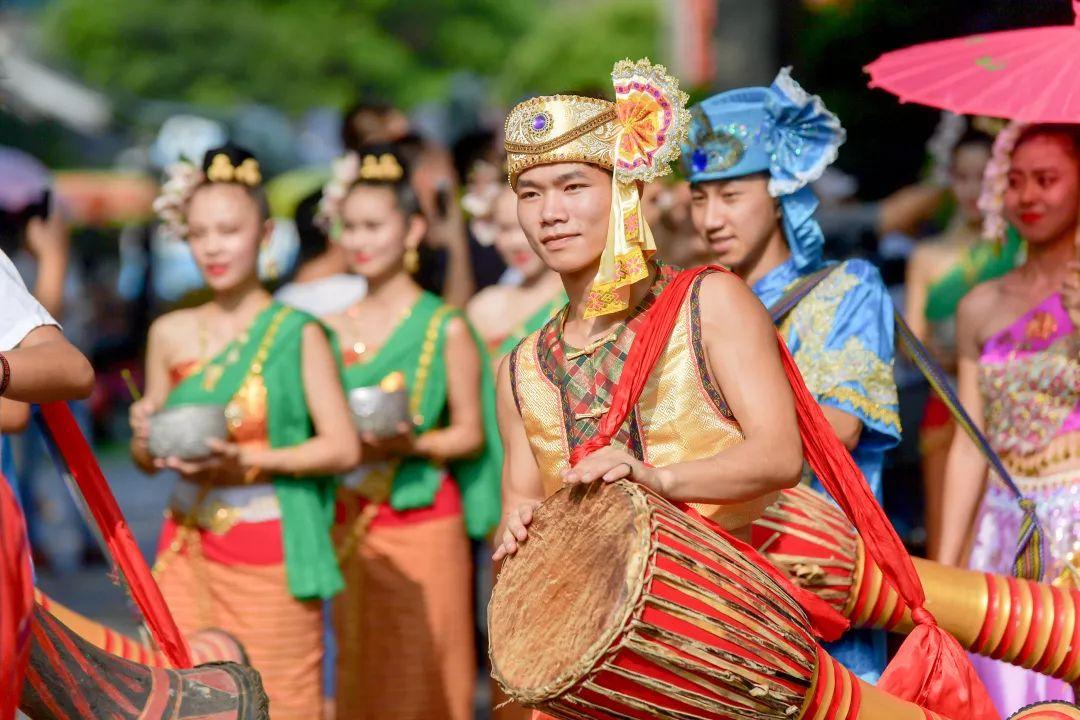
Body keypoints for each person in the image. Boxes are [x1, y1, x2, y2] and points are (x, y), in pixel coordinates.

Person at [493, 57, 804, 559]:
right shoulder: (521, 369)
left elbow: (780, 455)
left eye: (573, 187)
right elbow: (520, 502)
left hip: (711, 596)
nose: (550, 213)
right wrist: (516, 527)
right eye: (530, 194)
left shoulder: (709, 303)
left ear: (627, 192)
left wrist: (659, 479)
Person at [682, 69, 900, 683]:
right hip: (723, 579)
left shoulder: (846, 287)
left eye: (731, 195)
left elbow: (842, 427)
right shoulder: (693, 305)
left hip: (822, 568)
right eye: (699, 198)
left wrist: (693, 461)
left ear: (778, 192)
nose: (711, 218)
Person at [129, 144, 358, 720]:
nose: (212, 247)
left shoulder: (298, 332)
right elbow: (146, 461)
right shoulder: (169, 332)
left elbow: (341, 447)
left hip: (268, 546)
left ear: (266, 234)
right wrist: (142, 435)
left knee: (282, 700)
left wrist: (250, 462)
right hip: (185, 543)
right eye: (199, 233)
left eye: (229, 231)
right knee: (183, 699)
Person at [318, 145, 501, 720]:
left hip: (423, 518)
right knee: (360, 665)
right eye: (350, 227)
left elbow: (470, 433)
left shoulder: (444, 327)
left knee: (430, 665)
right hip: (349, 519)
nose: (360, 240)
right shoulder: (323, 331)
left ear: (414, 230)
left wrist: (412, 443)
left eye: (374, 226)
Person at [939, 123, 1080, 714]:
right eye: (1015, 181)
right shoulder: (981, 305)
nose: (1027, 197)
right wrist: (943, 573)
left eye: (1047, 180)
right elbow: (969, 443)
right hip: (1003, 528)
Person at [905, 123, 1022, 559]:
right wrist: (944, 356)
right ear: (949, 180)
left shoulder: (1020, 249)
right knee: (947, 531)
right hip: (949, 403)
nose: (974, 190)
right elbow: (911, 342)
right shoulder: (928, 256)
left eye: (984, 177)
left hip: (1011, 404)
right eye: (963, 177)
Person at [466, 184, 566, 364]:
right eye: (505, 229)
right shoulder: (485, 309)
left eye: (524, 226)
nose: (516, 242)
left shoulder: (586, 295)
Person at [273, 189, 367, 316]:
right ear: (333, 236)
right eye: (350, 226)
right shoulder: (361, 292)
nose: (361, 241)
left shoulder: (280, 298)